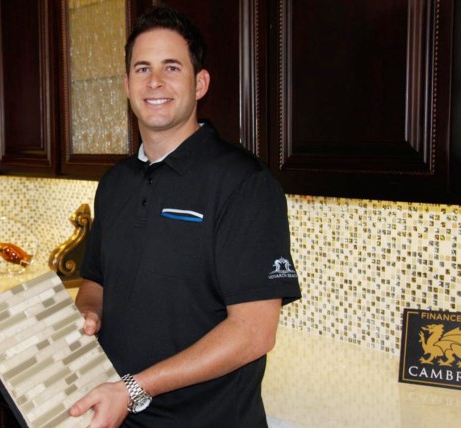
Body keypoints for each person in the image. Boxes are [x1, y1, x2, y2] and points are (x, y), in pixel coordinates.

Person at [69, 4, 301, 427]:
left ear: (200, 83)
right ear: (126, 84)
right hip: (119, 414)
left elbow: (253, 332)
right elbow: (95, 282)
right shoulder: (115, 184)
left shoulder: (243, 183)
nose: (155, 82)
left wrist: (135, 387)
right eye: (142, 69)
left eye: (171, 67)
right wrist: (89, 313)